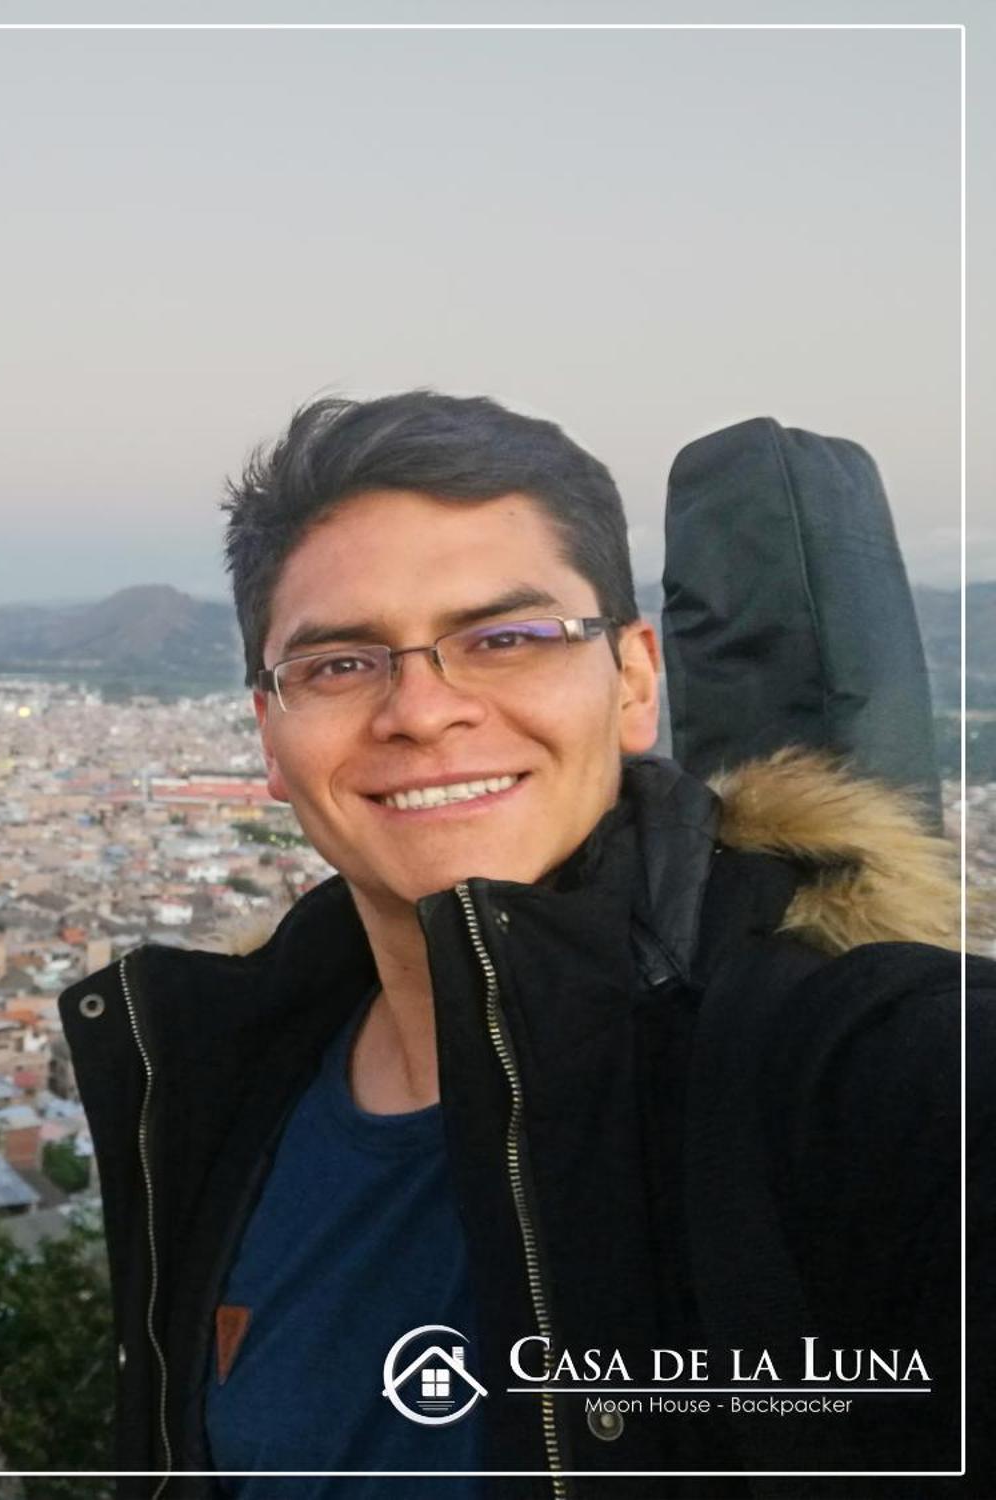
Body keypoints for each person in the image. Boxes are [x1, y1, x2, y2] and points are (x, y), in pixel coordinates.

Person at [58, 392, 993, 1498]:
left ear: (634, 680)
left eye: (504, 638)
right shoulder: (213, 1090)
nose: (420, 707)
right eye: (339, 663)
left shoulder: (843, 1068)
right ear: (270, 733)